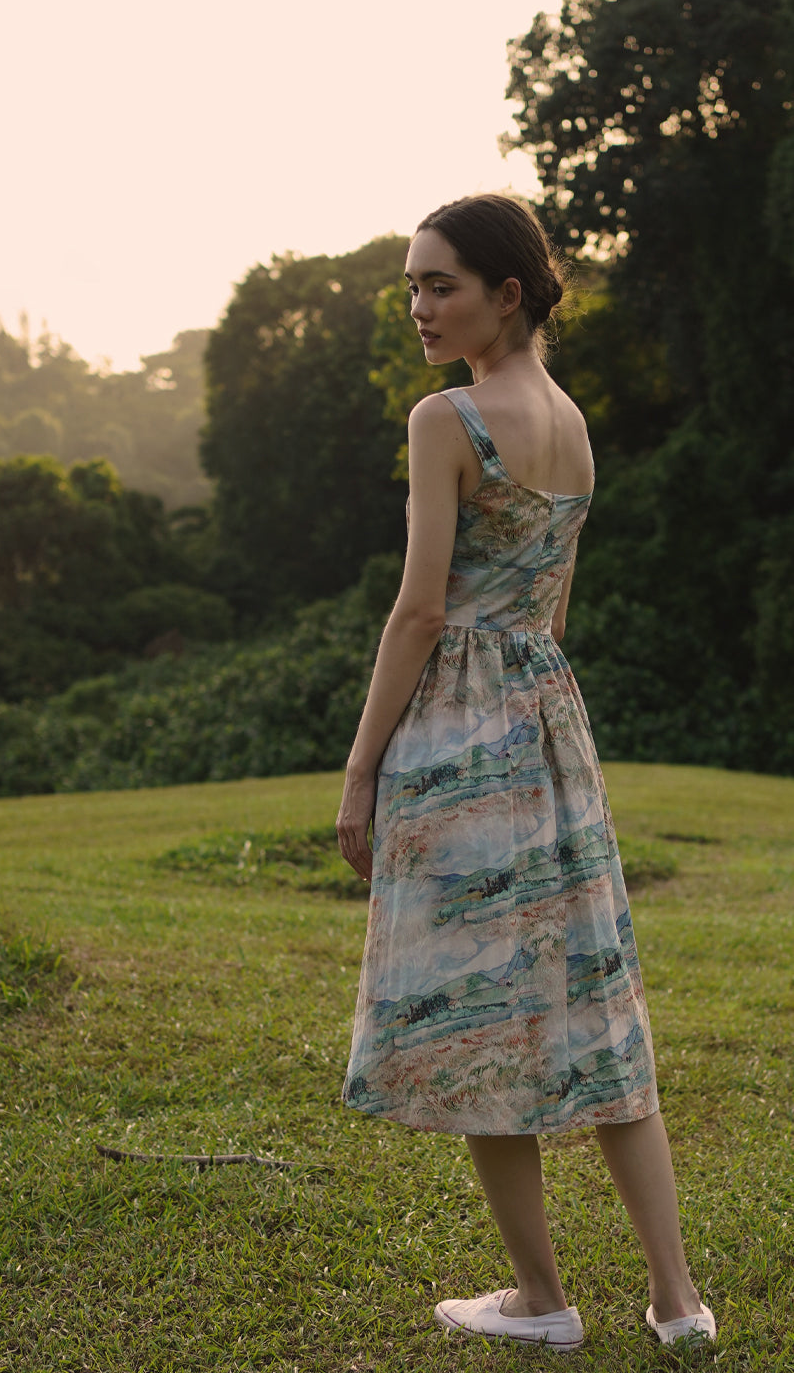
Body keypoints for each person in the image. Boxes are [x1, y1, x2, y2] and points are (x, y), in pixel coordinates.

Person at [335, 194, 715, 1352]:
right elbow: (551, 608)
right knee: (596, 1010)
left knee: (478, 1014)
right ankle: (675, 1301)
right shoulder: (571, 420)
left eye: (438, 283)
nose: (417, 306)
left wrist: (359, 770)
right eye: (409, 285)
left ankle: (543, 1301)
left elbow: (417, 609)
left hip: (457, 731)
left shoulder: (445, 418)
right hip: (552, 723)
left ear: (507, 291)